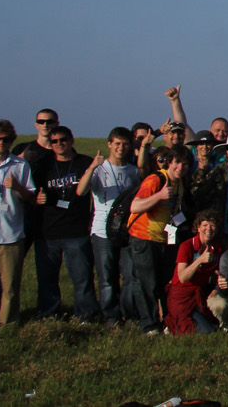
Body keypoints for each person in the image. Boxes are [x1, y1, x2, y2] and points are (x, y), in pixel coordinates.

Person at [32, 125, 97, 322]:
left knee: (82, 277)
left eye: (63, 139)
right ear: (50, 144)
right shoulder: (43, 165)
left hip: (76, 229)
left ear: (71, 140)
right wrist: (37, 198)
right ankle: (49, 313)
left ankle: (86, 315)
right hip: (47, 231)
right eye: (54, 141)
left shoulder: (84, 163)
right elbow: (31, 190)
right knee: (47, 278)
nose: (59, 144)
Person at [78, 127, 141, 326]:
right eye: (117, 144)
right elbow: (81, 191)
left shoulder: (132, 171)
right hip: (102, 231)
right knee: (107, 278)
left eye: (125, 144)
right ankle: (111, 316)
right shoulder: (99, 168)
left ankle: (129, 314)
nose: (121, 148)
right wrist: (92, 167)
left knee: (130, 276)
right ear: (109, 144)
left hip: (126, 231)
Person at [126, 151, 190, 334]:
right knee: (147, 284)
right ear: (168, 163)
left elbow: (174, 212)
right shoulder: (155, 180)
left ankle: (166, 321)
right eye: (177, 162)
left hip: (166, 238)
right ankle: (149, 325)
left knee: (165, 282)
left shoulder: (180, 184)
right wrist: (159, 196)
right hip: (144, 238)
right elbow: (135, 206)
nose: (180, 167)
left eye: (184, 164)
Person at [0, 120, 36, 326]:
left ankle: (8, 324)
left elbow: (31, 198)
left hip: (11, 233)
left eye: (5, 139)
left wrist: (17, 187)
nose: (1, 143)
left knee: (11, 285)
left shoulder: (20, 165)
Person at [166, 210, 224, 335]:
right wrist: (200, 260)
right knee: (202, 331)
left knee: (212, 325)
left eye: (212, 225)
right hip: (181, 294)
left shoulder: (218, 248)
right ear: (198, 228)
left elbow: (220, 273)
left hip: (201, 293)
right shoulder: (187, 246)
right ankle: (170, 324)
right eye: (205, 225)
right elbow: (182, 277)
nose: (208, 229)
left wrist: (215, 290)